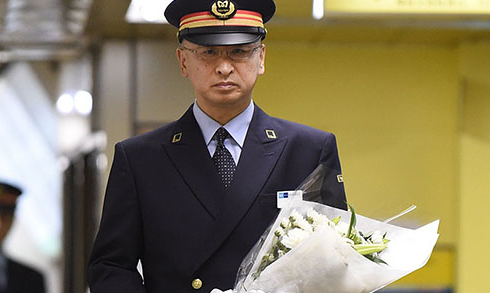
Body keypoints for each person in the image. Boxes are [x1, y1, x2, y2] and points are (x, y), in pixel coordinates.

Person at [87, 0, 347, 291]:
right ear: (183, 61)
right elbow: (110, 266)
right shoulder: (140, 159)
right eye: (208, 52)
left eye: (239, 51)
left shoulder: (308, 151)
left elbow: (335, 260)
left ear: (260, 58)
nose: (224, 67)